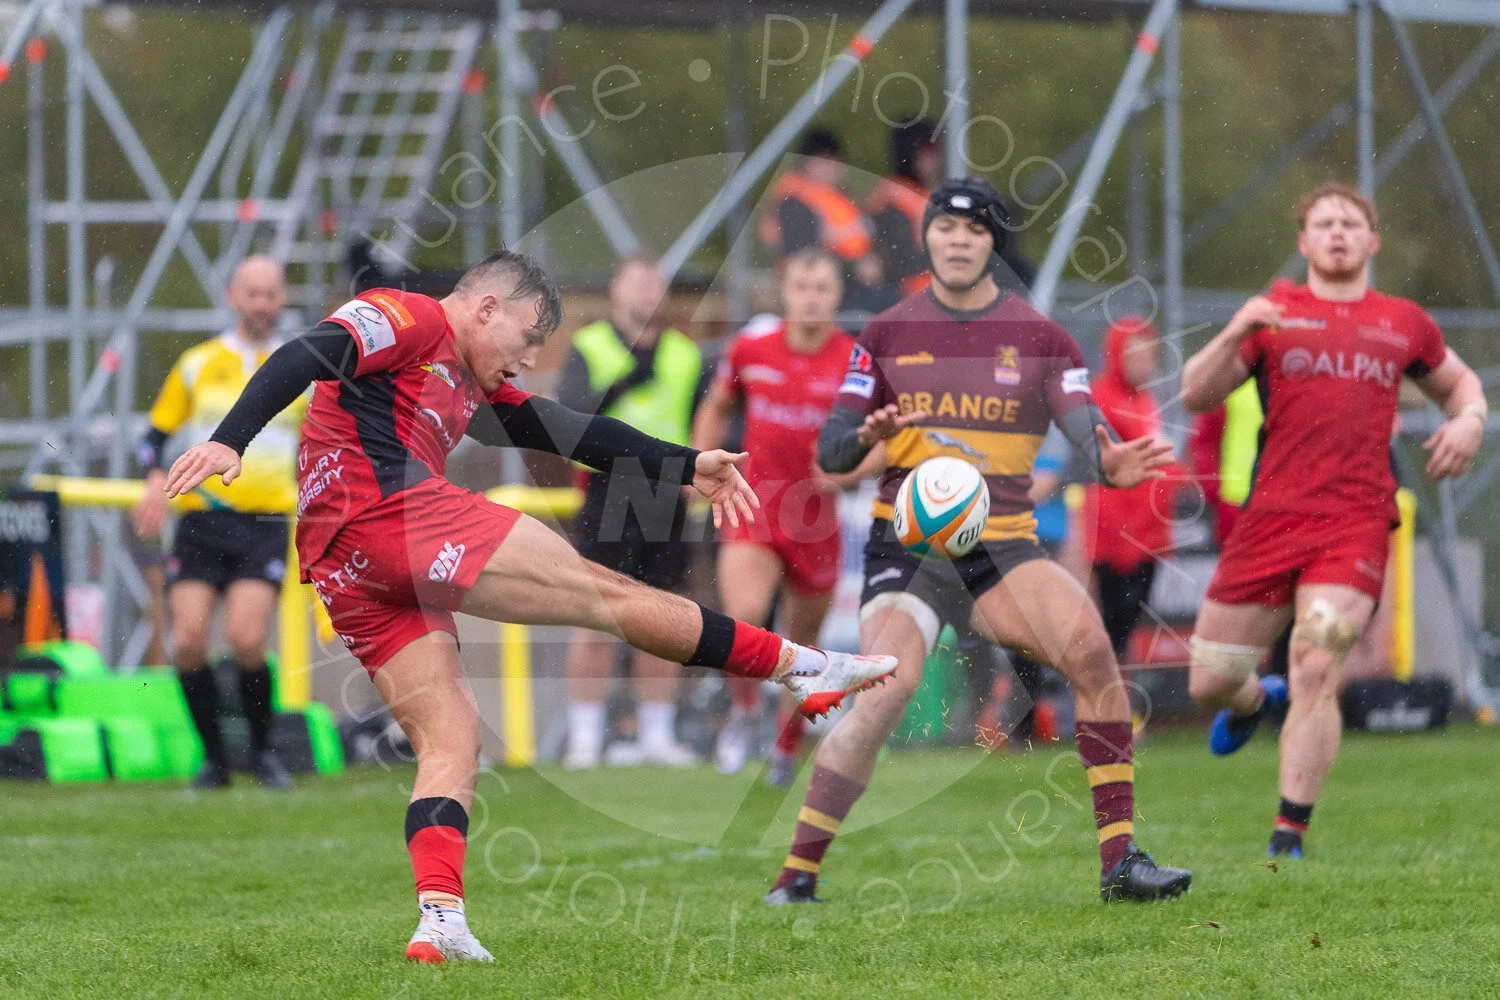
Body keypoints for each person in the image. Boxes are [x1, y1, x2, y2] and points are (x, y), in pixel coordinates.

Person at [162, 250, 896, 963]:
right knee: (609, 595)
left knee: (452, 742)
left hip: (347, 565)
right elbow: (310, 350)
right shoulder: (412, 317)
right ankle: (801, 667)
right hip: (391, 515)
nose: (530, 358)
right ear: (487, 308)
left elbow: (568, 430)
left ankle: (439, 919)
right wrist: (231, 440)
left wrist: (684, 463)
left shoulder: (465, 375)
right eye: (530, 338)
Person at [764, 178, 1192, 906]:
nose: (958, 239)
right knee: (885, 690)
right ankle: (797, 874)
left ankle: (1121, 862)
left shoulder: (1041, 338)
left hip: (1005, 545)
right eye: (945, 227)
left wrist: (1110, 457)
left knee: (1092, 652)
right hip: (910, 546)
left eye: (975, 229)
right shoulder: (888, 332)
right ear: (927, 238)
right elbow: (833, 450)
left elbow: (1086, 426)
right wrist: (858, 438)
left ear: (992, 244)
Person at [1181, 183, 1485, 859]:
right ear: (1304, 241)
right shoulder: (1275, 312)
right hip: (1268, 524)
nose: (1339, 232)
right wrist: (1235, 328)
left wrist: (1470, 420)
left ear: (1372, 241)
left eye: (1352, 222)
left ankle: (1288, 835)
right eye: (1325, 223)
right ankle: (1252, 701)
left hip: (1353, 526)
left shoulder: (1403, 321)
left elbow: (1461, 385)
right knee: (1207, 684)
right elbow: (1195, 393)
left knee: (1317, 663)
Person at [693, 248, 879, 784]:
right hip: (754, 503)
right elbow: (717, 407)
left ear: (836, 295)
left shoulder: (854, 361)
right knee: (746, 621)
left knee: (802, 652)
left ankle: (785, 746)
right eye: (803, 286)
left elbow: (881, 440)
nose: (812, 297)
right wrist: (698, 465)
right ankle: (744, 714)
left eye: (822, 288)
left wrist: (849, 473)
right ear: (786, 291)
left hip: (817, 519)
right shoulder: (751, 347)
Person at [131, 255, 302, 790]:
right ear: (232, 295)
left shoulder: (301, 367)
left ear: (282, 298)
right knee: (187, 642)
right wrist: (154, 478)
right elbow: (152, 438)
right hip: (201, 521)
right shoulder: (197, 363)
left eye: (270, 293)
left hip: (265, 522)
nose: (261, 303)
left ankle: (265, 754)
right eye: (252, 292)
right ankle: (215, 762)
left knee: (248, 641)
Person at [555, 256, 702, 769]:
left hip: (668, 493)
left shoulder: (685, 353)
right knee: (596, 612)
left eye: (656, 282)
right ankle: (585, 738)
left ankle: (657, 734)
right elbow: (569, 415)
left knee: (665, 612)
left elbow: (706, 415)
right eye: (638, 280)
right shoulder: (590, 345)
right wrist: (623, 382)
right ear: (616, 288)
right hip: (607, 488)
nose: (647, 291)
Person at [1082, 316, 1182, 660]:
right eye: (1134, 355)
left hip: (1147, 531)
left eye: (1149, 355)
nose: (1144, 363)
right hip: (1117, 535)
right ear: (1116, 356)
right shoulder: (1100, 396)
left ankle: (1120, 705)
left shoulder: (1146, 401)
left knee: (1128, 625)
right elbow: (1112, 466)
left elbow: (1159, 457)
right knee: (1109, 627)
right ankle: (1103, 706)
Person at [758, 128, 892, 316]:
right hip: (824, 292)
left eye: (835, 161)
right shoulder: (795, 204)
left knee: (894, 301)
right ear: (808, 164)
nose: (832, 168)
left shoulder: (844, 199)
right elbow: (802, 258)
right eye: (824, 161)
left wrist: (874, 263)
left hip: (856, 288)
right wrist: (855, 268)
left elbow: (873, 239)